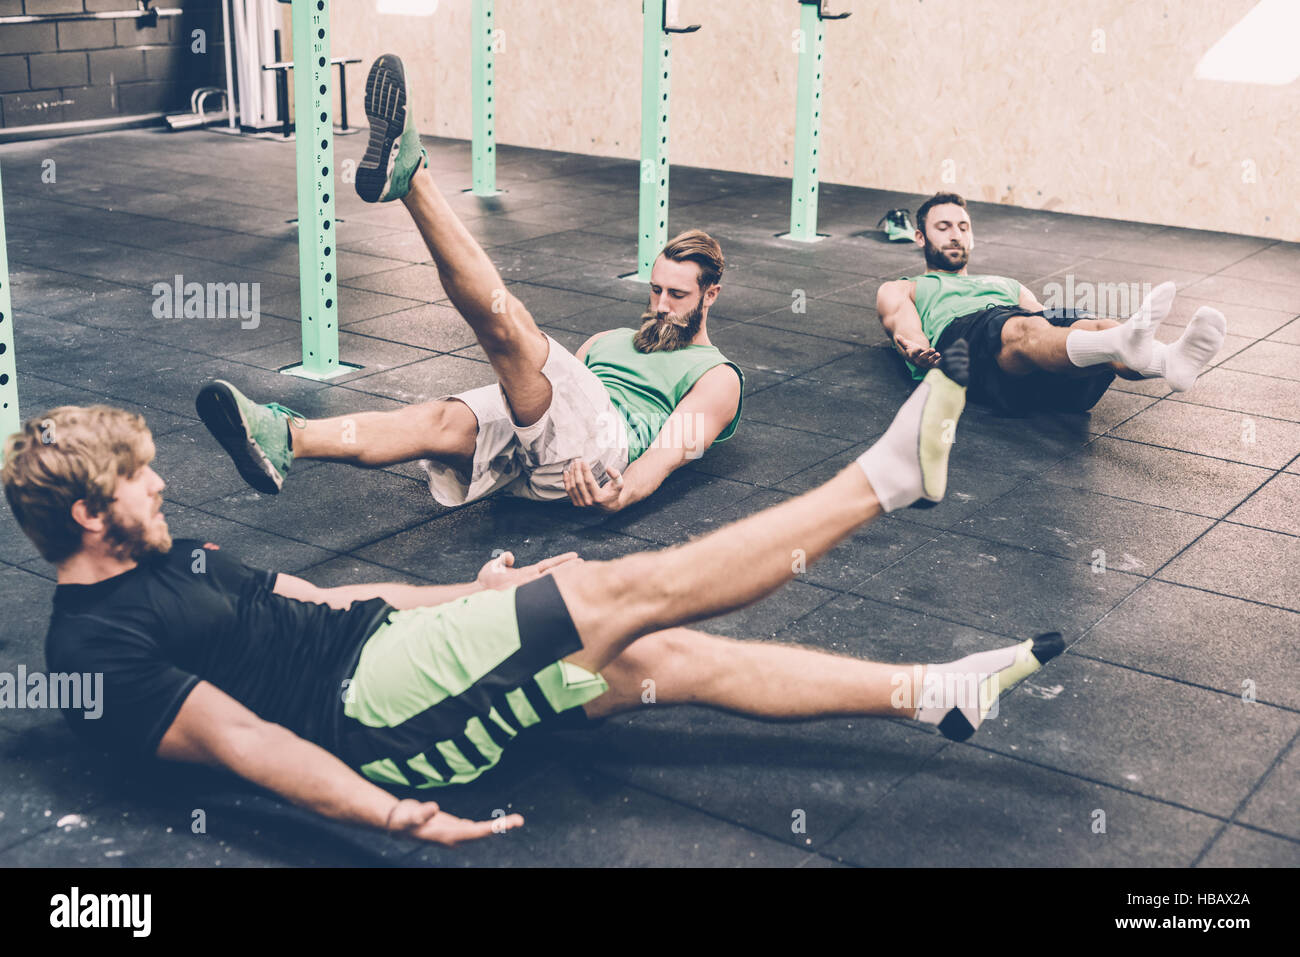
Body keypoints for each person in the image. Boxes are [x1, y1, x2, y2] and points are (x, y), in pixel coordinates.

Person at [2, 347, 1064, 848]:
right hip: (379, 717)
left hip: (387, 652)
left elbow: (324, 598)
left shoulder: (161, 558)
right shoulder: (97, 644)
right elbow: (248, 747)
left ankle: (931, 693)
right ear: (90, 518)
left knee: (660, 664)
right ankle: (879, 485)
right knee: (626, 590)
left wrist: (471, 590)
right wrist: (393, 814)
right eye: (137, 480)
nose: (160, 482)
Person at [197, 54, 743, 515]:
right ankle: (283, 437)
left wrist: (622, 495)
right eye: (655, 290)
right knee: (436, 420)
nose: (660, 305)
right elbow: (547, 404)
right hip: (535, 463)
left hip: (599, 455)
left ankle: (414, 178)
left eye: (677, 296)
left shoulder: (716, 377)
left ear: (710, 296)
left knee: (510, 331)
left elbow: (670, 452)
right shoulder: (606, 342)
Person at [876, 191, 1227, 416]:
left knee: (1095, 325)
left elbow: (1045, 324)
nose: (955, 234)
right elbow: (904, 326)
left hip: (1036, 375)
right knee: (1026, 330)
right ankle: (1134, 347)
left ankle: (1170, 362)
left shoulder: (1007, 284)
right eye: (944, 226)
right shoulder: (905, 287)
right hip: (963, 341)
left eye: (963, 227)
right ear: (920, 236)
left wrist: (1065, 326)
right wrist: (917, 350)